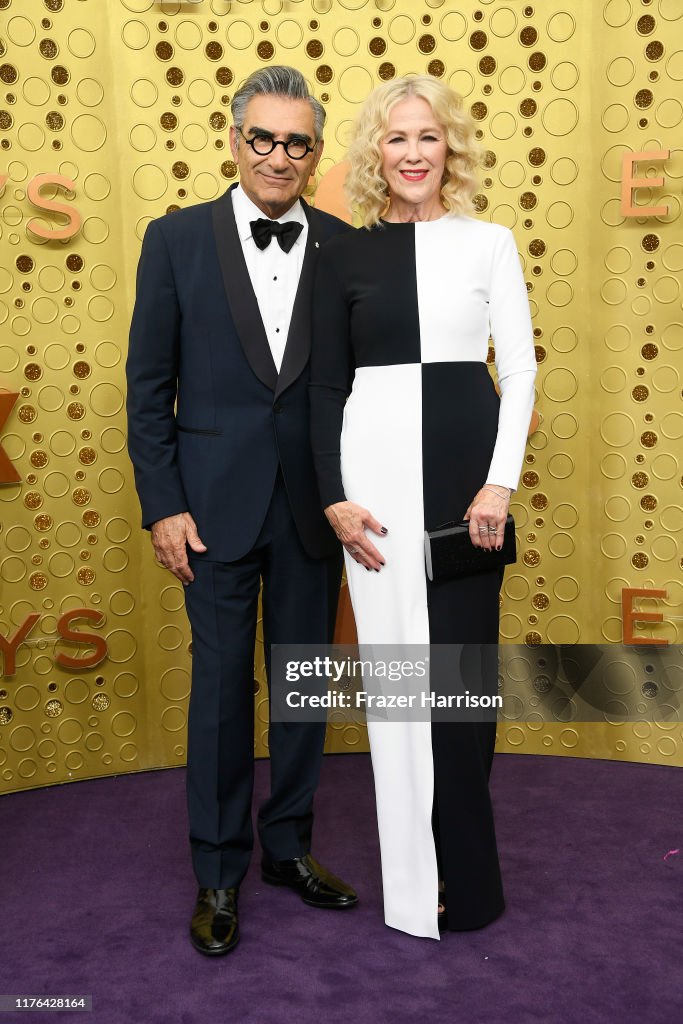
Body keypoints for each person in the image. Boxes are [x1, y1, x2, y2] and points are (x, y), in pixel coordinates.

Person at [126, 66, 357, 958]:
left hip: (311, 510)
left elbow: (356, 388)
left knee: (302, 691)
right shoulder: (174, 239)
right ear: (234, 138)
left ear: (314, 150)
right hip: (209, 514)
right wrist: (164, 506)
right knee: (222, 696)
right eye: (262, 138)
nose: (278, 156)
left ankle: (288, 850)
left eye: (296, 142)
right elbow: (149, 389)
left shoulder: (342, 245)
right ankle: (217, 872)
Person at [309, 75, 537, 940]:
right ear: (376, 152)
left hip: (464, 481)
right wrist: (333, 496)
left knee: (461, 686)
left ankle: (469, 883)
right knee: (400, 690)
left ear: (451, 151)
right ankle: (412, 887)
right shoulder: (342, 254)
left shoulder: (488, 243)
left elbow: (515, 371)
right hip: (370, 492)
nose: (411, 153)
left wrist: (498, 482)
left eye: (428, 137)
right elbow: (324, 385)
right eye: (397, 138)